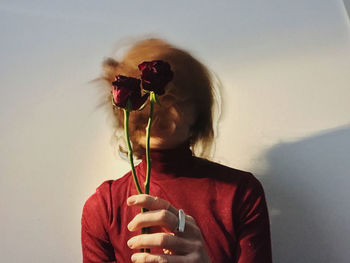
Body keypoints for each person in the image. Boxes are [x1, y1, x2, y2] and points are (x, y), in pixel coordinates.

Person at [81, 38, 272, 263]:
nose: (159, 108)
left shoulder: (240, 193)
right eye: (145, 94)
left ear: (197, 108)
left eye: (175, 97)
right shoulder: (105, 206)